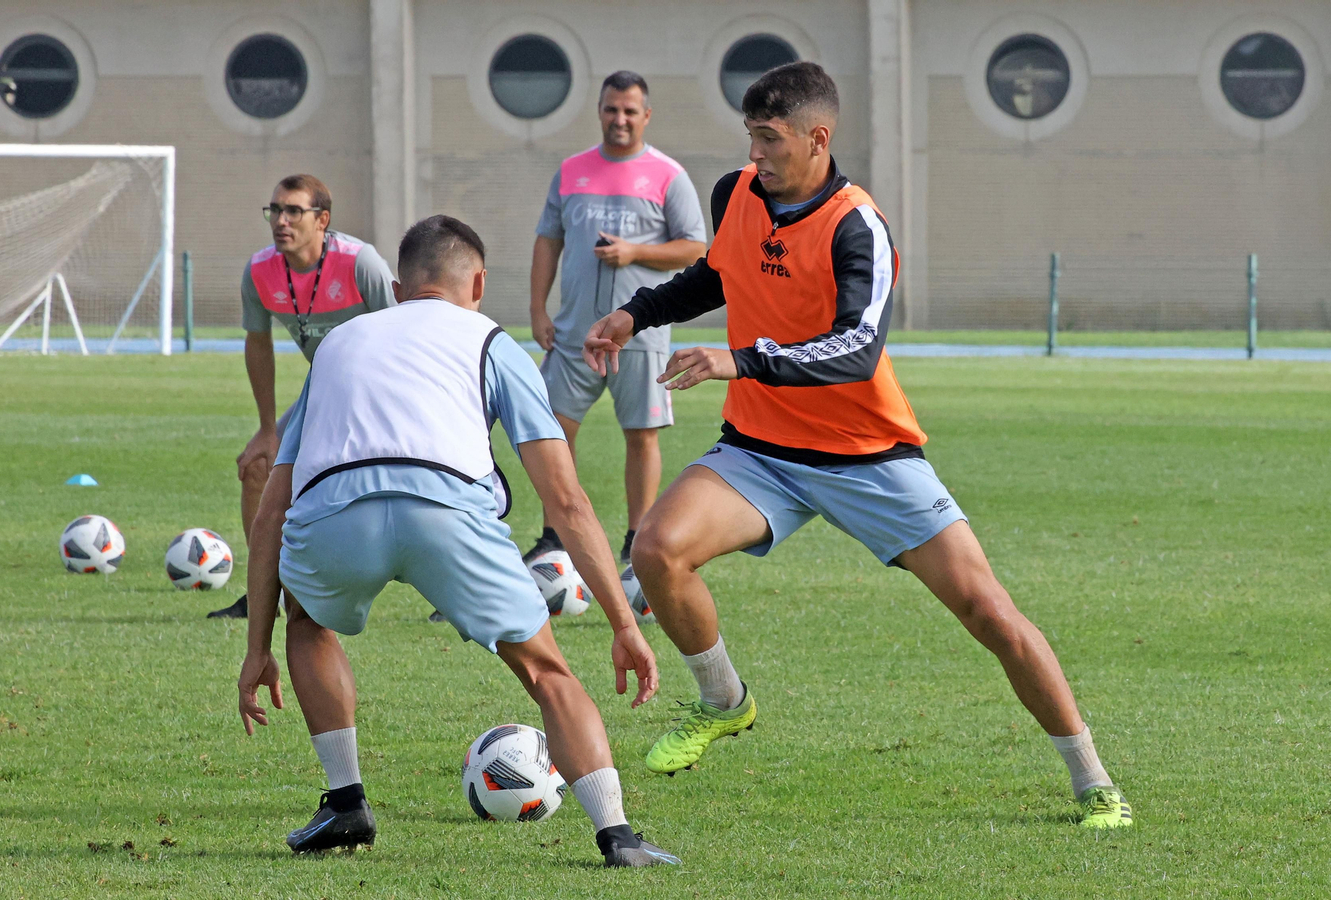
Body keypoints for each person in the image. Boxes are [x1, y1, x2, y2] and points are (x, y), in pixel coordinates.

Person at [584, 62, 1133, 828]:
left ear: (818, 137)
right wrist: (634, 314)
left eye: (769, 139)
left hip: (867, 456)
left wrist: (737, 361)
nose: (756, 154)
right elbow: (720, 274)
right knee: (656, 549)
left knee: (990, 612)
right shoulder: (735, 192)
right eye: (749, 136)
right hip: (761, 451)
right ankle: (723, 701)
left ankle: (1093, 778)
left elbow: (856, 348)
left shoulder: (855, 224)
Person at [235, 215, 680, 866]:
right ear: (478, 283)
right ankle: (616, 835)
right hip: (448, 512)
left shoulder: (336, 345)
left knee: (306, 619)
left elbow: (273, 504)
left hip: (335, 515)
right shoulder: (492, 341)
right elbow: (566, 499)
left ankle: (346, 800)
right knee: (546, 671)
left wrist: (257, 645)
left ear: (394, 289)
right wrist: (624, 624)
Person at [526, 70, 707, 572]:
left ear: (646, 115)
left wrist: (635, 253)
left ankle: (635, 544)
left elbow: (695, 247)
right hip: (573, 334)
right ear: (600, 110)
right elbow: (548, 240)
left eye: (630, 111)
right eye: (611, 109)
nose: (620, 119)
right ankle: (553, 539)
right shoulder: (571, 171)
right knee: (554, 432)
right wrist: (539, 309)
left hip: (640, 335)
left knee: (641, 434)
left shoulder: (668, 174)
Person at [208, 174, 396, 619]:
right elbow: (259, 344)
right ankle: (263, 594)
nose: (281, 220)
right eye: (275, 210)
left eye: (294, 211)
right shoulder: (259, 271)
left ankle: (460, 591)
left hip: (384, 392)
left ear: (322, 219)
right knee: (256, 466)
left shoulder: (360, 263)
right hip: (327, 388)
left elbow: (405, 329)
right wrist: (267, 429)